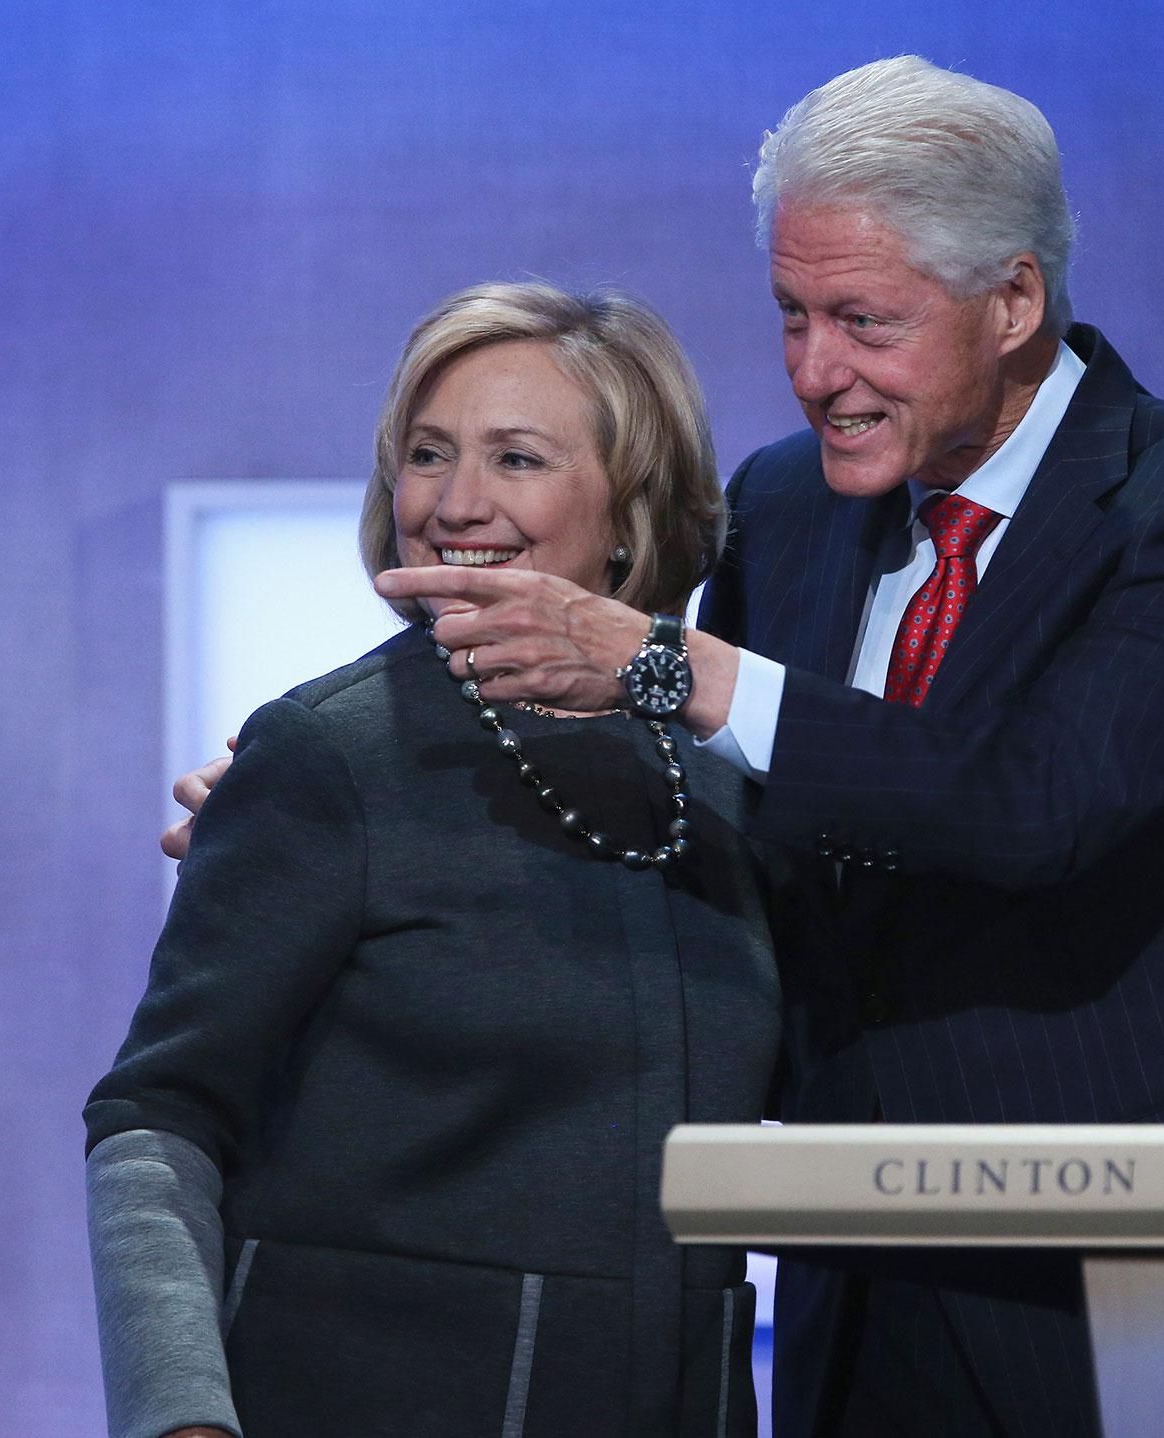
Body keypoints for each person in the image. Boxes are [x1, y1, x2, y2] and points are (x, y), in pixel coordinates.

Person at [173, 56, 1164, 1438]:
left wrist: (686, 669)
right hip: (863, 1281)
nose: (811, 373)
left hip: (1147, 1281)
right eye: (791, 315)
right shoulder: (789, 511)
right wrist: (350, 796)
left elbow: (1036, 806)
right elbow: (727, 828)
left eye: (863, 321)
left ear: (1014, 300)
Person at [90, 282, 779, 1438]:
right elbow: (158, 1113)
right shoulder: (328, 751)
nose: (455, 504)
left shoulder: (723, 779)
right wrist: (181, 1421)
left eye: (515, 459)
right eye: (425, 454)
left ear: (629, 507)